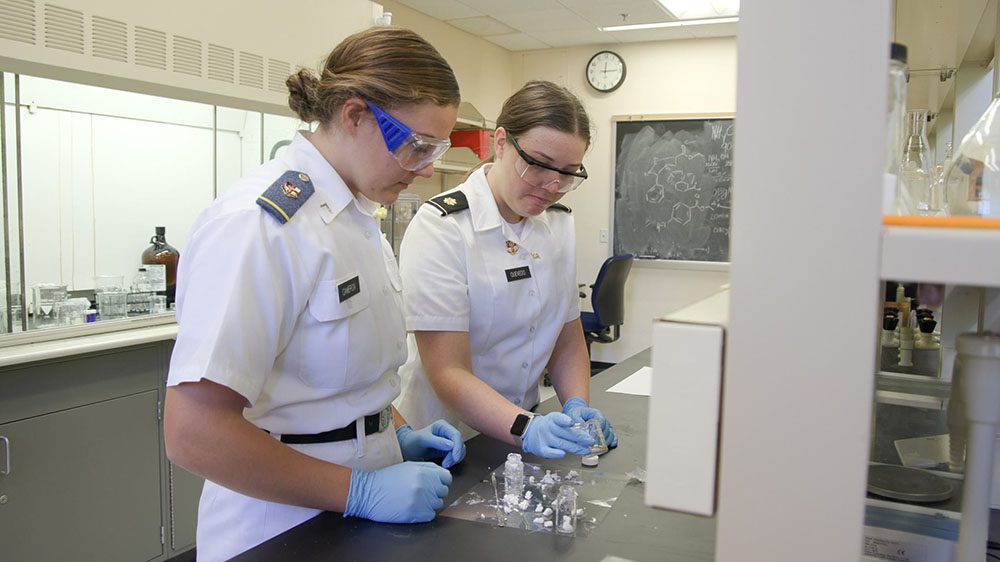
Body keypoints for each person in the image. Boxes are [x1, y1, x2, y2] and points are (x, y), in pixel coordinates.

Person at [163, 27, 467, 562]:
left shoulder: (356, 215)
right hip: (281, 526)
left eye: (434, 149)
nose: (423, 168)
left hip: (361, 512)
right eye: (415, 145)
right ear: (353, 115)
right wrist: (360, 490)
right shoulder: (260, 225)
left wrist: (393, 431)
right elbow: (193, 433)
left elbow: (335, 381)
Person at [394, 80, 618, 460]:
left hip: (521, 429)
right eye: (538, 164)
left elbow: (565, 334)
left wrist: (576, 405)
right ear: (500, 142)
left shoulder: (559, 223)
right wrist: (524, 427)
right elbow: (447, 371)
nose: (552, 185)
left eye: (568, 173)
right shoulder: (444, 226)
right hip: (447, 440)